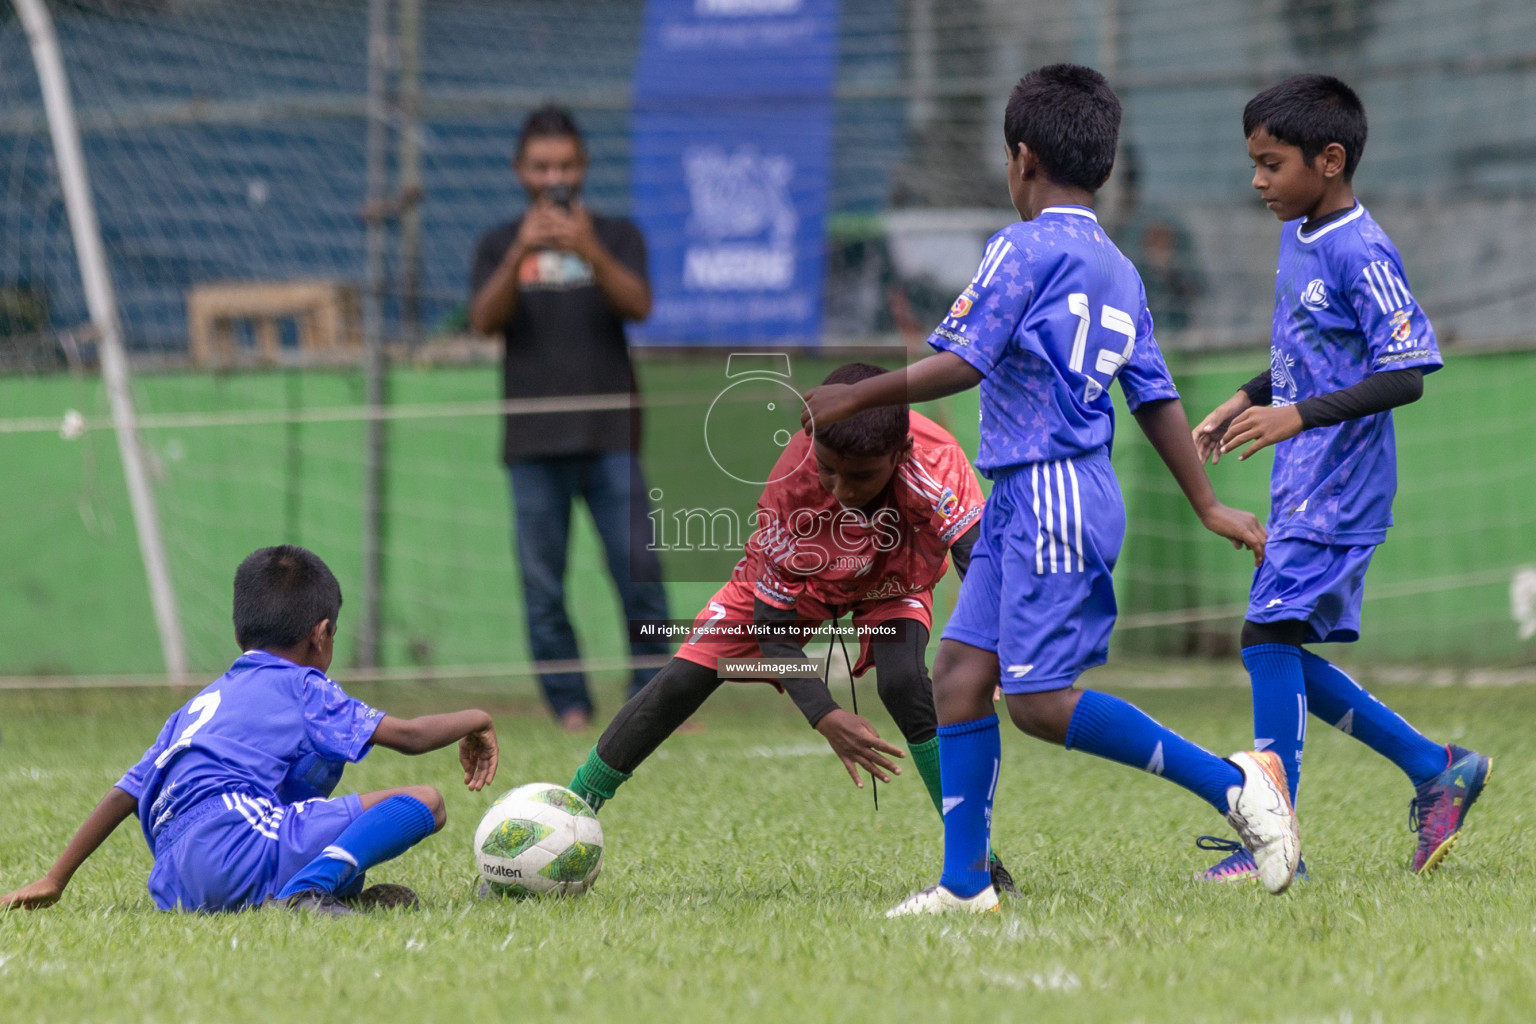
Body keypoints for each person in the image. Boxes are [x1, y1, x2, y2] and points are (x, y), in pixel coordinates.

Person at [803, 64, 1300, 916]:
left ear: (1021, 158)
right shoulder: (1116, 266)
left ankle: (1234, 784)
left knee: (1035, 702)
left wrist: (858, 392)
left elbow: (964, 360)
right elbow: (1155, 395)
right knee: (958, 675)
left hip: (1055, 493)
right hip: (1035, 496)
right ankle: (965, 885)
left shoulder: (1020, 247)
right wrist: (1206, 503)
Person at [1189, 74, 1491, 882]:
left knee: (1265, 637)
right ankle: (1436, 768)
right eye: (1253, 162)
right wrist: (1248, 396)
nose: (1258, 181)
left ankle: (1271, 842)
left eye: (1271, 163)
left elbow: (1407, 371)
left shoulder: (1362, 246)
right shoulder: (1300, 234)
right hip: (1303, 481)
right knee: (1278, 646)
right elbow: (1311, 352)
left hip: (1342, 485)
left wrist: (1295, 416)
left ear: (1329, 160)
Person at [567, 363, 1016, 893]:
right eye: (829, 469)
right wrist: (824, 714)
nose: (841, 488)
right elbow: (773, 634)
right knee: (682, 679)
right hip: (799, 588)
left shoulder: (936, 464)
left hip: (894, 576)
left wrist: (1000, 651)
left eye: (862, 476)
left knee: (904, 684)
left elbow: (979, 562)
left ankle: (977, 861)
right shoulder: (790, 491)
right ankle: (566, 812)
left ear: (898, 455)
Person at [0, 546, 498, 916]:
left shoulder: (197, 705)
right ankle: (306, 893)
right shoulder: (305, 686)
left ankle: (331, 894)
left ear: (240, 635)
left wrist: (54, 878)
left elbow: (124, 794)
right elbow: (410, 736)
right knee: (424, 801)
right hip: (236, 837)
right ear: (322, 634)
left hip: (175, 883)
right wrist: (477, 718)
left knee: (328, 828)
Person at [469, 104, 669, 731]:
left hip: (612, 436)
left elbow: (639, 305)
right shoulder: (497, 243)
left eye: (564, 164)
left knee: (639, 570)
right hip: (532, 443)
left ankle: (656, 695)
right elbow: (484, 321)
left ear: (582, 165)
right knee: (542, 585)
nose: (553, 176)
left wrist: (587, 249)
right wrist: (520, 254)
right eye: (540, 166)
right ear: (518, 170)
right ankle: (570, 705)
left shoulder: (617, 235)